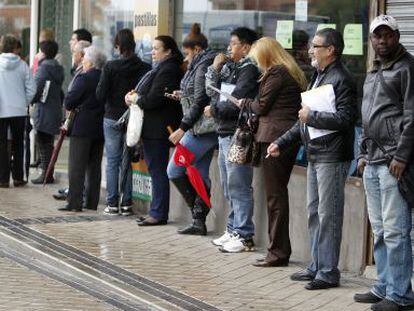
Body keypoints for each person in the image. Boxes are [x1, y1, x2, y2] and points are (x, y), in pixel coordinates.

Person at [267, 28, 357, 290]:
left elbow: (346, 118)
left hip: (332, 155)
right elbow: (302, 120)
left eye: (315, 46)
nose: (310, 51)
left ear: (331, 50)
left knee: (328, 214)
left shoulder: (341, 78)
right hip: (316, 153)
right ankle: (317, 265)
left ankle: (328, 271)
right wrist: (281, 143)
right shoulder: (318, 76)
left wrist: (312, 118)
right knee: (314, 212)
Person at [354, 15, 414, 311]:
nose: (382, 40)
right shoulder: (374, 69)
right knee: (379, 229)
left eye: (387, 35)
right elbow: (368, 116)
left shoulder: (407, 68)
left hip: (393, 162)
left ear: (397, 36)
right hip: (373, 160)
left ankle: (401, 295)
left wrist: (402, 156)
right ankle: (385, 285)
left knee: (395, 231)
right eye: (377, 36)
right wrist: (363, 154)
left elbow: (412, 117)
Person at [239, 37, 307, 266]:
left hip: (274, 140)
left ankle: (277, 252)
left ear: (267, 56)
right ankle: (278, 250)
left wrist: (244, 103)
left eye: (258, 59)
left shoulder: (277, 74)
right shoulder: (288, 71)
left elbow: (261, 106)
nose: (257, 64)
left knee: (275, 197)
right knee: (275, 196)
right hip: (281, 138)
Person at [205, 27, 259, 252]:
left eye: (234, 43)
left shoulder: (249, 70)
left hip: (238, 134)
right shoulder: (230, 67)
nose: (229, 47)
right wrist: (216, 68)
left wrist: (215, 109)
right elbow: (213, 92)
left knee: (239, 186)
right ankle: (233, 227)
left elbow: (234, 102)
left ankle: (244, 234)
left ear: (246, 47)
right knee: (229, 186)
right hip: (224, 132)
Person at [125, 35, 183, 226]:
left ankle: (158, 213)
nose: (153, 52)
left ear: (168, 51)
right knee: (155, 170)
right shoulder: (160, 68)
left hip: (159, 129)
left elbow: (154, 99)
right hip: (153, 128)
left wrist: (136, 99)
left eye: (157, 48)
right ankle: (155, 210)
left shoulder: (169, 69)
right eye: (152, 48)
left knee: (158, 171)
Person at [167, 23, 217, 235]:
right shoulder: (199, 64)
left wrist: (182, 128)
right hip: (202, 129)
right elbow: (196, 96)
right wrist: (181, 94)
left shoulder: (202, 65)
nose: (185, 58)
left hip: (199, 130)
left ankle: (197, 215)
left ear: (196, 49)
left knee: (174, 169)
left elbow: (199, 100)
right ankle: (199, 221)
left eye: (187, 53)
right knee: (201, 174)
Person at [96, 28, 151, 216]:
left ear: (118, 46)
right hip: (133, 118)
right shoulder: (144, 67)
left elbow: (100, 94)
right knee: (126, 161)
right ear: (134, 45)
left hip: (111, 117)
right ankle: (126, 203)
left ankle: (112, 203)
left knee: (112, 161)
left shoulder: (110, 67)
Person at [58, 46, 106, 212]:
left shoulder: (83, 78)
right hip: (99, 127)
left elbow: (69, 101)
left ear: (91, 62)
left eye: (85, 58)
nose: (83, 61)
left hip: (82, 127)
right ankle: (92, 202)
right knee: (94, 167)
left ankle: (74, 202)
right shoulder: (104, 77)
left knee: (77, 167)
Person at [0, 35, 36, 188]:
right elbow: (32, 88)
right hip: (19, 110)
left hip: (1, 110)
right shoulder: (23, 65)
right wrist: (24, 102)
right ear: (15, 48)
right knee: (18, 144)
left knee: (1, 145)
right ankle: (18, 178)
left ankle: (2, 179)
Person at [30, 40, 64, 184]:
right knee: (48, 142)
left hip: (44, 110)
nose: (37, 54)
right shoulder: (58, 68)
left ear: (43, 53)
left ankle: (46, 173)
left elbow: (36, 88)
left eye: (39, 51)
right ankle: (48, 172)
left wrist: (30, 100)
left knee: (43, 142)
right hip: (54, 108)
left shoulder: (44, 68)